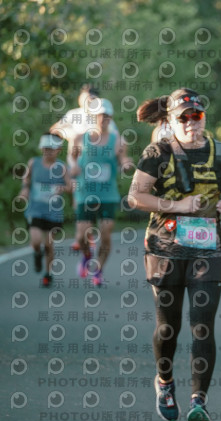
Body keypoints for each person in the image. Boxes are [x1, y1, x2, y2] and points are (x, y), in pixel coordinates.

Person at [128, 88, 221, 421]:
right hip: (165, 248)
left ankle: (198, 402)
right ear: (171, 121)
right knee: (168, 327)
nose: (192, 122)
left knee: (202, 325)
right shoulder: (157, 153)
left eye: (197, 116)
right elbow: (136, 196)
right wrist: (177, 205)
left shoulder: (219, 152)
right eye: (184, 118)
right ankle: (164, 383)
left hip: (208, 249)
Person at [50, 84, 120, 251]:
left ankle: (88, 234)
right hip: (79, 161)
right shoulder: (74, 114)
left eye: (92, 99)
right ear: (80, 99)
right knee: (79, 197)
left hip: (100, 163)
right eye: (86, 98)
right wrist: (70, 135)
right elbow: (55, 129)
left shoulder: (103, 115)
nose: (89, 101)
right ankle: (81, 235)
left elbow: (115, 137)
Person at [71, 98, 133, 286]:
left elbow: (123, 160)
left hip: (107, 194)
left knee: (105, 234)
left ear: (110, 118)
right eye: (99, 115)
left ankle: (98, 270)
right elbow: (72, 158)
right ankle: (87, 256)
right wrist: (74, 166)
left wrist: (126, 164)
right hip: (85, 193)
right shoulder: (80, 138)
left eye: (106, 116)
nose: (102, 119)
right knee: (81, 236)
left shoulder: (118, 140)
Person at [19, 133, 72, 287]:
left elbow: (70, 186)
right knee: (36, 241)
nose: (48, 152)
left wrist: (63, 188)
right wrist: (25, 190)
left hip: (53, 212)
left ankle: (48, 274)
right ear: (41, 148)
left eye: (52, 149)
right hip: (35, 209)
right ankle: (37, 253)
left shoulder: (61, 167)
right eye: (46, 148)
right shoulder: (33, 163)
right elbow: (26, 179)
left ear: (58, 150)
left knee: (49, 244)